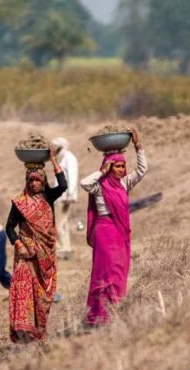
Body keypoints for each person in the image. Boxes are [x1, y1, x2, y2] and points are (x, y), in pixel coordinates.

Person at [80, 129, 147, 326]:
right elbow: (84, 183)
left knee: (119, 271)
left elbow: (142, 170)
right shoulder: (99, 186)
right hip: (104, 231)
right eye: (117, 166)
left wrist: (138, 146)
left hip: (120, 232)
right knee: (105, 272)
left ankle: (115, 311)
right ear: (109, 166)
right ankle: (100, 316)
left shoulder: (124, 183)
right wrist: (102, 172)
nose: (120, 169)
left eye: (122, 166)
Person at [5, 155, 68, 342]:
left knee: (42, 297)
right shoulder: (20, 204)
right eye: (30, 180)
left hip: (45, 255)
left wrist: (53, 161)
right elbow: (9, 227)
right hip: (26, 255)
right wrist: (19, 244)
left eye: (37, 180)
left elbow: (63, 186)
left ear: (43, 181)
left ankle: (40, 332)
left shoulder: (48, 197)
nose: (33, 184)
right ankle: (25, 334)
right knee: (24, 292)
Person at [51, 137, 79, 260]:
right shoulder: (62, 158)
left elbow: (72, 176)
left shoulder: (69, 158)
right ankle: (66, 248)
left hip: (65, 196)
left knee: (59, 225)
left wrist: (71, 194)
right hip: (59, 197)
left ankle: (62, 249)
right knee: (63, 224)